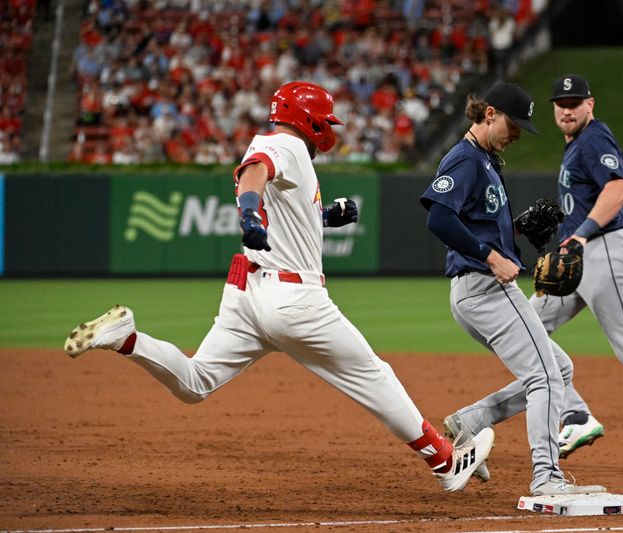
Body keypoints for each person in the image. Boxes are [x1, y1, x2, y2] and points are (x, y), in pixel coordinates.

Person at [64, 80, 494, 494]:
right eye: (325, 119)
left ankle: (128, 340)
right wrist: (248, 214)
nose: (329, 127)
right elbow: (254, 172)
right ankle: (445, 462)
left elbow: (281, 206)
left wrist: (322, 216)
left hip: (247, 294)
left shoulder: (291, 154)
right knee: (375, 377)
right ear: (309, 120)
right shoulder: (285, 143)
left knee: (196, 382)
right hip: (294, 300)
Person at [441, 75, 623, 474]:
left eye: (575, 102)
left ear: (590, 105)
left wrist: (592, 237)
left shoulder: (593, 139)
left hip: (598, 252)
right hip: (582, 255)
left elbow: (619, 190)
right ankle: (571, 416)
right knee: (532, 337)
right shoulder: (582, 144)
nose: (567, 108)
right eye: (560, 102)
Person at [420, 81, 605, 496]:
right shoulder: (466, 160)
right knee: (546, 378)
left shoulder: (486, 161)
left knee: (558, 369)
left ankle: (470, 422)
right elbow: (439, 219)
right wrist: (489, 255)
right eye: (513, 123)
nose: (518, 133)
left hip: (478, 292)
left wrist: (516, 228)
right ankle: (546, 478)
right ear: (489, 114)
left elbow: (473, 220)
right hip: (485, 288)